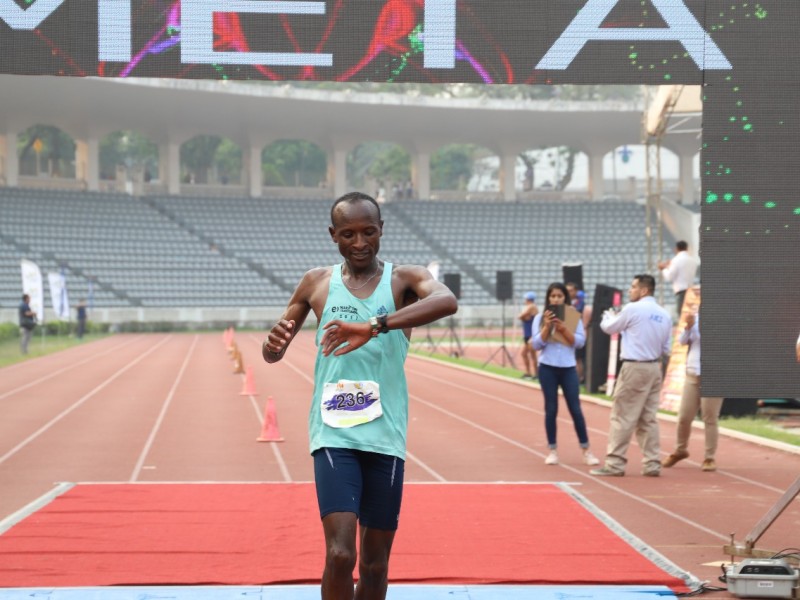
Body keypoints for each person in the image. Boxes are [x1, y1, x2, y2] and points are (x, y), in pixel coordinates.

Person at [262, 191, 458, 600]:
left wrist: (375, 325)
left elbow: (446, 301)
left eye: (369, 231)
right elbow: (273, 350)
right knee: (339, 554)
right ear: (333, 235)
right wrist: (273, 345)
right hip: (334, 433)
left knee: (374, 564)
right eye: (348, 234)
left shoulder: (404, 280)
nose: (360, 242)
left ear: (382, 229)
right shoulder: (317, 282)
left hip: (385, 435)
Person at [590, 274, 672, 477]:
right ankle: (652, 463)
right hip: (654, 368)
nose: (629, 290)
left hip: (634, 367)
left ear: (644, 290)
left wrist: (607, 316)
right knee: (648, 418)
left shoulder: (633, 308)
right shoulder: (665, 314)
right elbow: (666, 348)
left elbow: (609, 328)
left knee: (622, 416)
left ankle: (615, 463)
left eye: (633, 287)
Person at [532, 282, 600, 466]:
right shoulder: (539, 317)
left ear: (565, 298)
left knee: (575, 409)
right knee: (551, 409)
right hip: (547, 367)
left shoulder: (573, 318)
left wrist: (563, 329)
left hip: (568, 367)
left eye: (559, 296)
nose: (556, 299)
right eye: (552, 296)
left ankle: (586, 450)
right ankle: (552, 450)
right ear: (548, 298)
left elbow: (579, 342)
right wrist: (547, 327)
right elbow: (536, 344)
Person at [662, 312, 723, 472]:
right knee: (684, 417)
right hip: (692, 373)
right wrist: (689, 327)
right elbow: (682, 341)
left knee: (709, 417)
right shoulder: (695, 317)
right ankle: (680, 450)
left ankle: (709, 457)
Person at [658, 240, 699, 317]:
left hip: (681, 290)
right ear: (687, 248)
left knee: (682, 314)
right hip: (691, 289)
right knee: (690, 314)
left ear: (676, 249)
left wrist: (663, 269)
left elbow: (669, 276)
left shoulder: (676, 260)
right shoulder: (692, 260)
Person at [565, 282, 586, 383]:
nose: (568, 293)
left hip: (576, 333)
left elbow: (577, 315)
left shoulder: (580, 303)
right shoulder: (566, 303)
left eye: (571, 290)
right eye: (567, 291)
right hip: (566, 333)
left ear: (576, 291)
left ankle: (580, 378)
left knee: (578, 358)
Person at [518, 291, 539, 380]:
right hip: (527, 334)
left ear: (528, 299)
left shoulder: (532, 307)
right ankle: (528, 373)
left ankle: (537, 374)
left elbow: (521, 316)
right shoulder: (528, 307)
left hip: (531, 335)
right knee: (524, 353)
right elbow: (523, 317)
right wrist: (523, 316)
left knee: (532, 355)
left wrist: (523, 316)